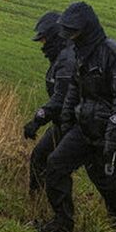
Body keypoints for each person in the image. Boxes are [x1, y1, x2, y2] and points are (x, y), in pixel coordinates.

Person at [39, 1, 116, 232]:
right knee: (54, 166)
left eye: (73, 32)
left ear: (86, 30)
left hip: (113, 132)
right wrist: (66, 121)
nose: (69, 38)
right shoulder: (77, 53)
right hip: (84, 128)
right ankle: (62, 225)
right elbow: (74, 90)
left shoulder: (115, 53)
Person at [23, 11, 76, 199]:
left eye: (44, 40)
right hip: (63, 124)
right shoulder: (61, 58)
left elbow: (61, 98)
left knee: (56, 166)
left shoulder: (67, 61)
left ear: (55, 36)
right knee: (40, 157)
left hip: (76, 126)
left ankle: (61, 221)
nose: (43, 46)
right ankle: (37, 203)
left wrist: (39, 118)